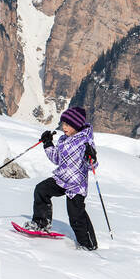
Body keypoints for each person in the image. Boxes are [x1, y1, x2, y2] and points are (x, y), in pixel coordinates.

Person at [24, 106, 99, 250]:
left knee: (76, 216)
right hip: (61, 179)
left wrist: (91, 157)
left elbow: (92, 166)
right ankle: (41, 223)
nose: (63, 127)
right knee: (41, 190)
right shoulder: (63, 139)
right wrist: (47, 144)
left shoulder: (85, 142)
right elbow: (57, 158)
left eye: (67, 124)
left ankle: (88, 244)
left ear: (76, 125)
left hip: (76, 185)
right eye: (63, 123)